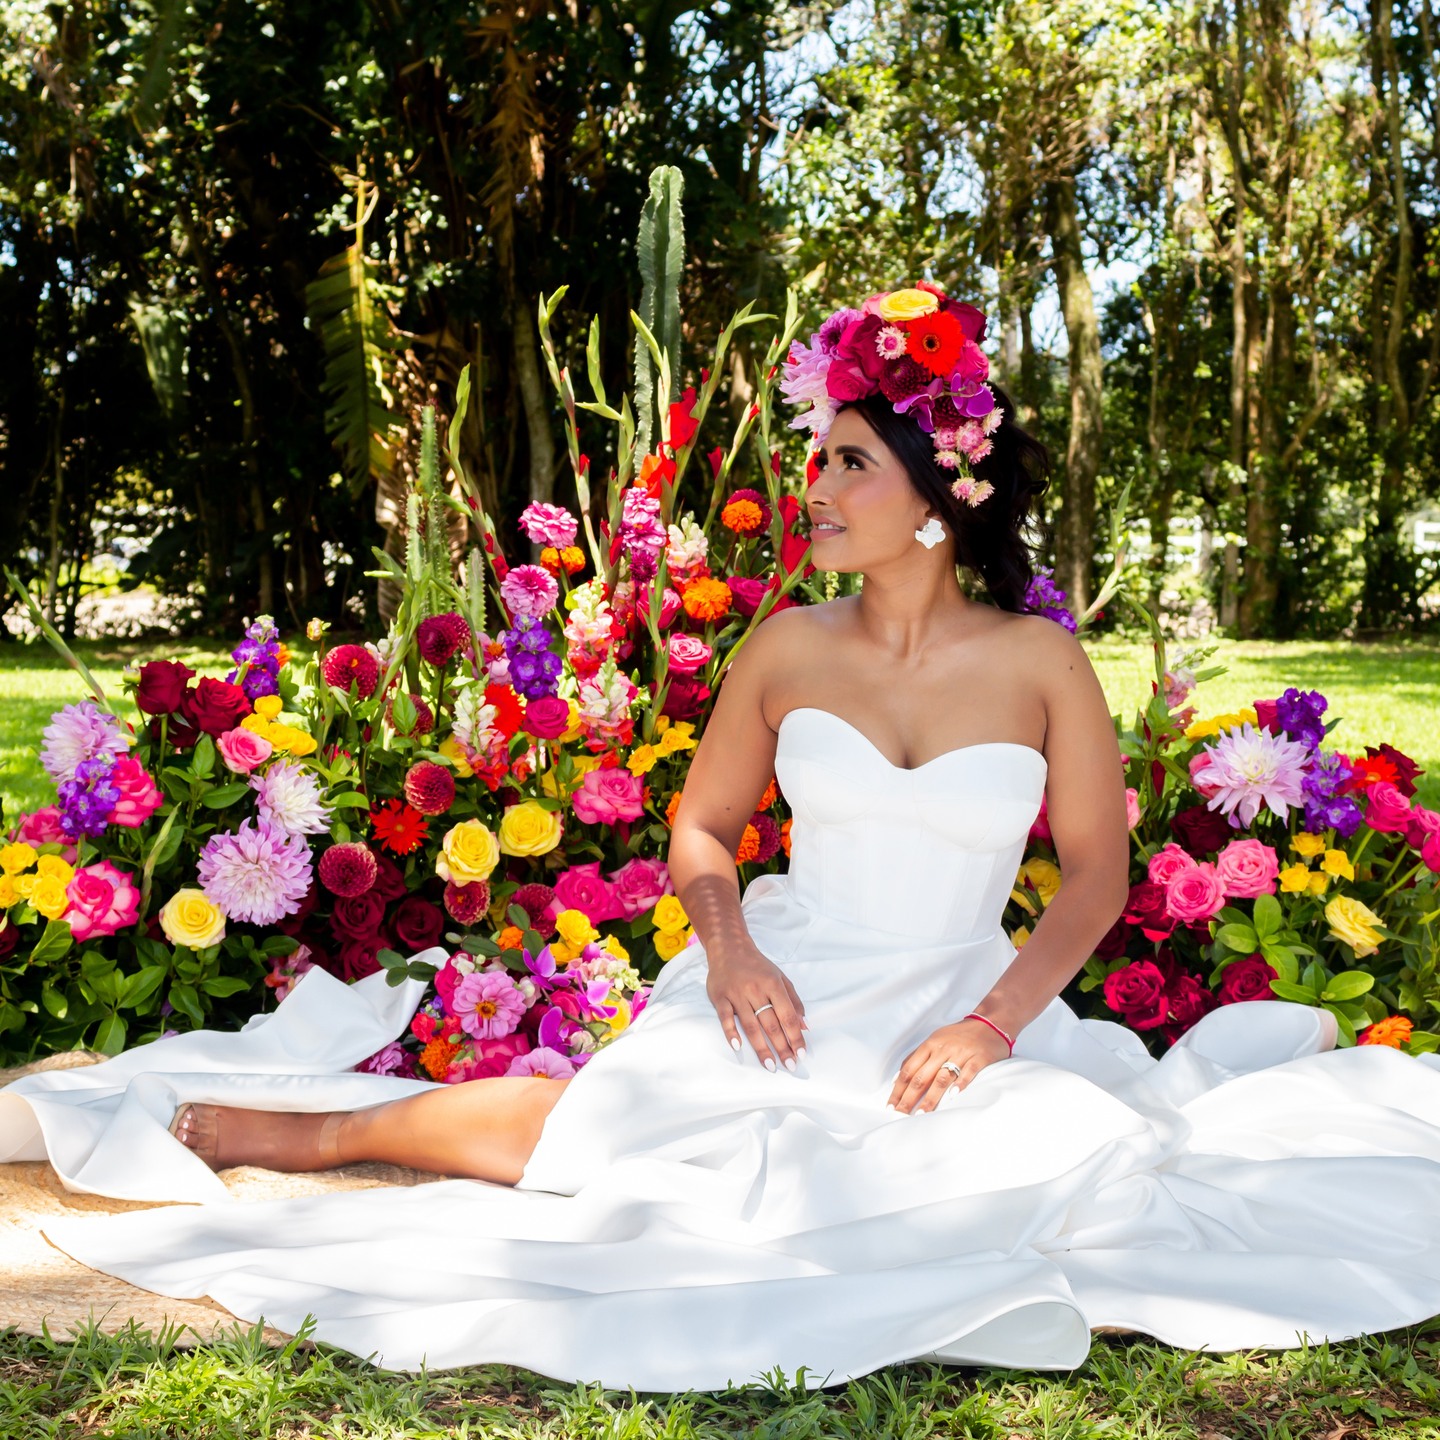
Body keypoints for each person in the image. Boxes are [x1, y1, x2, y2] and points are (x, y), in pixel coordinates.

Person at [4, 283, 1440, 1395]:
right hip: (791, 970)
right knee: (623, 1137)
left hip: (961, 999)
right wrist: (735, 950)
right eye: (814, 457)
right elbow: (699, 828)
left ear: (940, 498)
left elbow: (1099, 880)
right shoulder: (784, 648)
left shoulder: (1041, 665)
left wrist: (999, 1024)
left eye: (850, 462)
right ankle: (322, 1132)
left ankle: (353, 1127)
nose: (812, 486)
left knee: (1008, 1175)